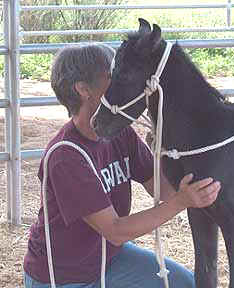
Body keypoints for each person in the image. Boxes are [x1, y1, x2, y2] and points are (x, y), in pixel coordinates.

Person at [23, 43, 221, 288]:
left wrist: (166, 147)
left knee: (182, 283)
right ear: (84, 89)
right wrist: (182, 201)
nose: (124, 83)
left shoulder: (120, 134)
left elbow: (164, 191)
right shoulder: (66, 155)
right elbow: (116, 231)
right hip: (62, 277)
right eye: (113, 77)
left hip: (110, 260)